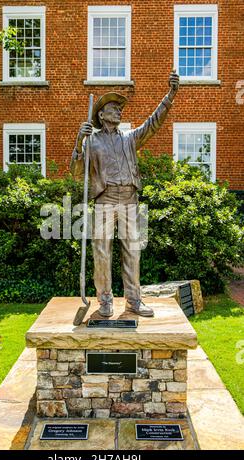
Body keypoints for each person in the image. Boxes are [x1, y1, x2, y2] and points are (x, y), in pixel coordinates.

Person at [71, 70, 179, 318]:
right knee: (101, 253)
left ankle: (133, 300)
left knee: (132, 251)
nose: (119, 111)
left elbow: (153, 123)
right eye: (113, 108)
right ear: (100, 114)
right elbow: (77, 174)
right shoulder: (92, 142)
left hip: (130, 199)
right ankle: (105, 301)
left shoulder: (130, 138)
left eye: (120, 108)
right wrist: (79, 143)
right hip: (105, 200)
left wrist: (170, 95)